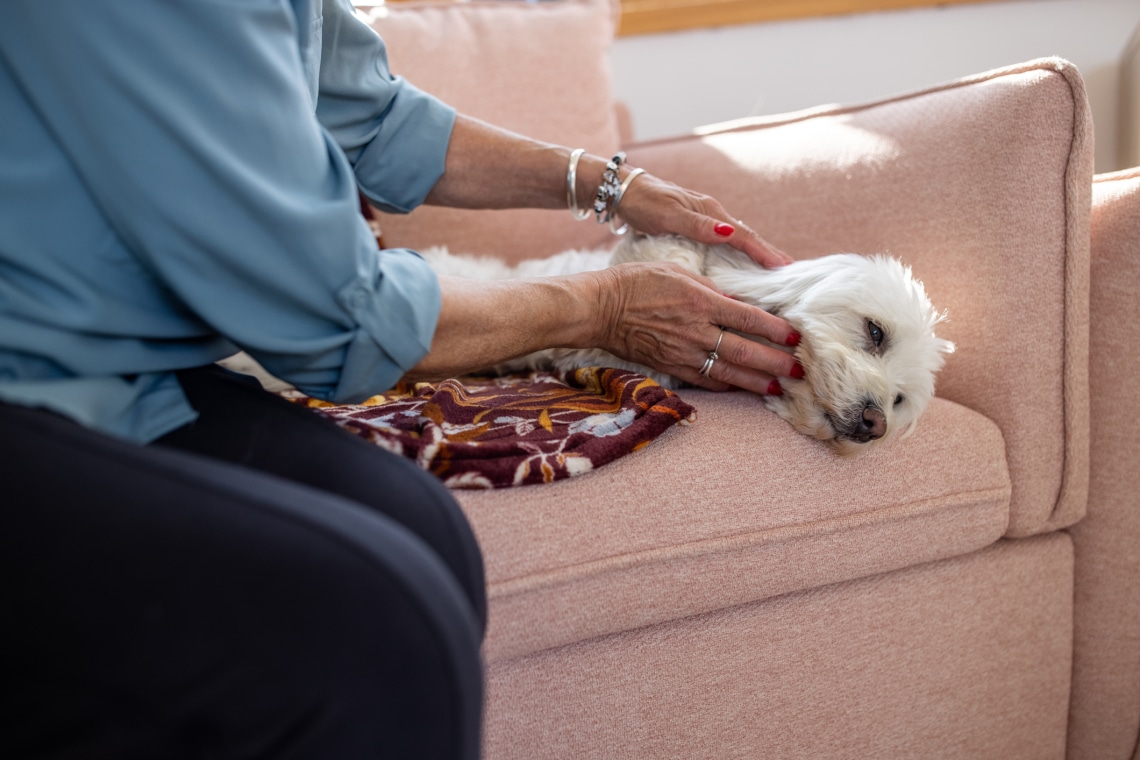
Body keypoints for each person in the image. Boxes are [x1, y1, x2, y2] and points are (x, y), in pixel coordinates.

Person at [0, 1, 801, 758]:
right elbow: (344, 321)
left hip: (121, 365)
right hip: (30, 374)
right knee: (381, 631)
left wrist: (611, 183)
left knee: (423, 524)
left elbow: (370, 115)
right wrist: (602, 308)